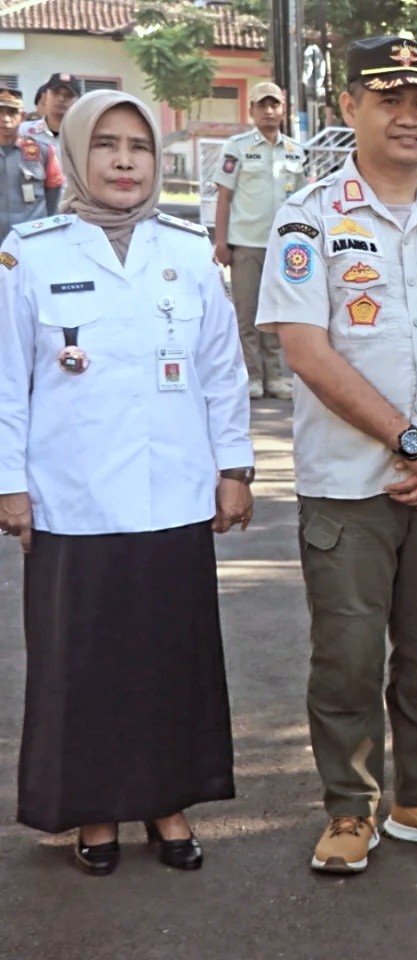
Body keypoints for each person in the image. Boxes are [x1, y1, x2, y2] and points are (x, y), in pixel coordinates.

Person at [257, 36, 417, 875]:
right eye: (388, 98)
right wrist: (411, 444)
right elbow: (305, 348)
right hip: (349, 485)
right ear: (350, 109)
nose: (408, 116)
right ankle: (348, 809)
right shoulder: (309, 215)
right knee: (349, 656)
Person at [0, 90, 254, 876]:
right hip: (72, 500)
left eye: (138, 147)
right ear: (75, 153)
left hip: (173, 495)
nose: (121, 160)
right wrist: (9, 484)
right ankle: (94, 811)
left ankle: (166, 802)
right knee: (83, 664)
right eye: (105, 145)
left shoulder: (187, 253)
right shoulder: (29, 256)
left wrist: (235, 468)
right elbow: (7, 382)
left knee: (168, 660)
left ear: (156, 160)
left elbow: (223, 372)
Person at [212, 81, 307, 401]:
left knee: (277, 313)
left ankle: (276, 376)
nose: (269, 111)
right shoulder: (236, 148)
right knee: (248, 313)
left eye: (275, 105)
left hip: (284, 246)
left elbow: (303, 201)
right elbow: (224, 198)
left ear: (283, 109)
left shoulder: (296, 150)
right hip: (246, 243)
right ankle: (252, 375)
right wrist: (221, 242)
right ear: (251, 110)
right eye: (262, 105)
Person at [1, 87, 63, 240]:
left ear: (22, 116)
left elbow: (53, 196)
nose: (5, 119)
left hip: (31, 239)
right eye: (0, 112)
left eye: (12, 112)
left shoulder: (43, 151)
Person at [19, 73, 79, 148]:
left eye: (68, 95)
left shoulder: (83, 136)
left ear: (78, 102)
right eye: (56, 93)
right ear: (44, 97)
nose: (61, 99)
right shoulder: (23, 131)